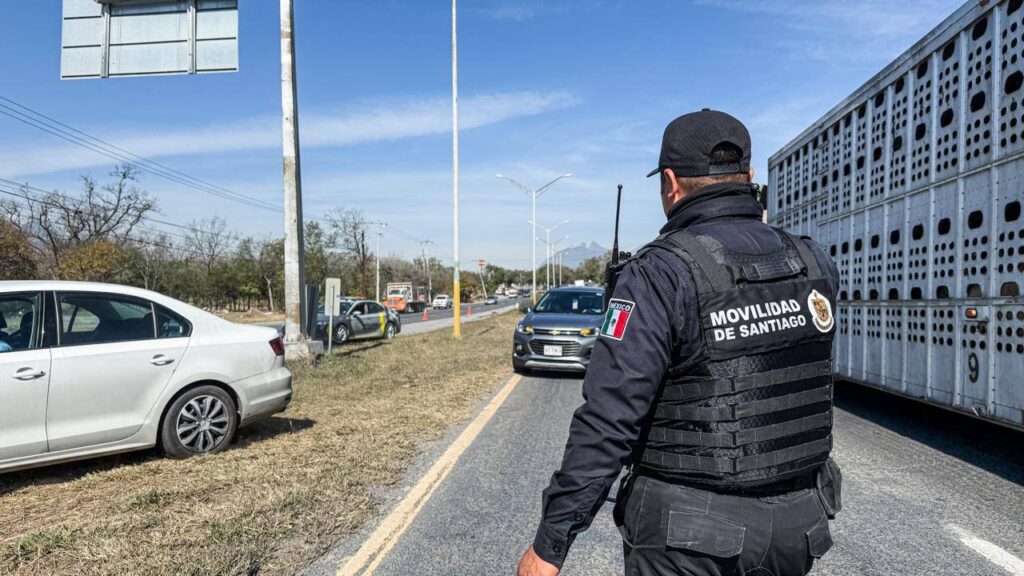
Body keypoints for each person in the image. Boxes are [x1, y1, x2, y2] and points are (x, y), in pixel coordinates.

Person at [518, 109, 842, 576]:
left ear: (670, 182)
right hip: (799, 528)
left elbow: (610, 417)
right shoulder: (813, 260)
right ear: (747, 175)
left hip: (690, 539)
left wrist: (551, 544)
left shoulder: (659, 272)